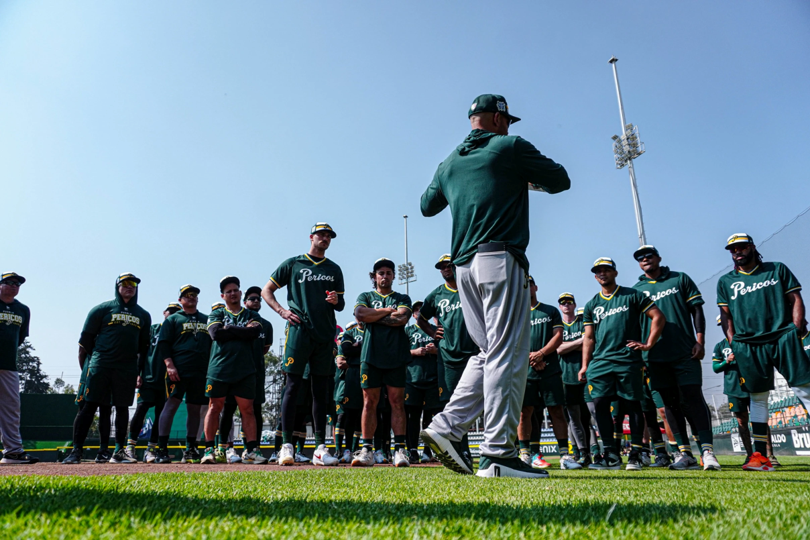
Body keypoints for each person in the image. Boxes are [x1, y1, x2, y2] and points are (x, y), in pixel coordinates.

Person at [420, 93, 570, 478]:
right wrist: (519, 178)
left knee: (488, 353)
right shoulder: (510, 146)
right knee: (508, 353)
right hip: (499, 258)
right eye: (507, 119)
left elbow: (427, 205)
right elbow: (560, 180)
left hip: (463, 266)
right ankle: (498, 453)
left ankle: (447, 426)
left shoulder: (450, 160)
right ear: (498, 119)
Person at [717, 233, 810, 471]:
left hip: (782, 336)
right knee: (758, 398)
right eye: (733, 249)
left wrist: (797, 329)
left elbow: (796, 299)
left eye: (741, 246)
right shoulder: (726, 281)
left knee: (804, 388)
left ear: (752, 247)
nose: (737, 251)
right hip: (748, 344)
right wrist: (734, 341)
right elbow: (725, 315)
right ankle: (760, 458)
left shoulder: (776, 269)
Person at [262, 223, 344, 467]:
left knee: (321, 391)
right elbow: (268, 290)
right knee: (292, 386)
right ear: (311, 237)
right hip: (299, 331)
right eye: (321, 234)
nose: (325, 238)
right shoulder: (294, 263)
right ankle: (286, 445)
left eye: (329, 236)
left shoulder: (334, 268)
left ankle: (320, 447)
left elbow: (339, 304)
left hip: (325, 332)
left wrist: (337, 300)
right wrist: (282, 312)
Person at [631, 245, 719, 471]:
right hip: (655, 357)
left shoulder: (680, 279)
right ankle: (684, 453)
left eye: (649, 255)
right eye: (640, 257)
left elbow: (697, 311)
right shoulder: (636, 290)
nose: (645, 259)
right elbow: (635, 326)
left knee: (692, 398)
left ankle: (708, 452)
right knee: (668, 405)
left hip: (685, 352)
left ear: (658, 258)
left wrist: (700, 341)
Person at [578, 258, 665, 471]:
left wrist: (648, 344)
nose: (602, 274)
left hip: (628, 360)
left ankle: (635, 454)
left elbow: (658, 317)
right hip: (600, 363)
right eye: (598, 271)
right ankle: (611, 455)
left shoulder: (632, 295)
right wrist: (584, 365)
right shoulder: (591, 304)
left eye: (606, 270)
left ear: (615, 272)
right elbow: (588, 338)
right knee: (599, 406)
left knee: (633, 405)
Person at [62, 273, 152, 464]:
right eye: (125, 283)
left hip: (126, 368)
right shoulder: (101, 309)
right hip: (101, 365)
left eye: (133, 284)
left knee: (122, 408)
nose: (130, 287)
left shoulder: (143, 315)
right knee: (88, 406)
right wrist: (89, 367)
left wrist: (139, 371)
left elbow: (144, 347)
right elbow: (85, 341)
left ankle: (118, 451)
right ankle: (76, 450)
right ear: (117, 286)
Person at [417, 254, 479, 463]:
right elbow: (420, 318)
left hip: (474, 354)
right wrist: (432, 331)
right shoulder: (436, 294)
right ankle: (460, 451)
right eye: (442, 267)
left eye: (449, 265)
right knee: (450, 404)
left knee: (480, 401)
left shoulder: (470, 287)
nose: (445, 269)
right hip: (448, 358)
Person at [351, 258, 412, 467]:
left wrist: (373, 316)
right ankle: (367, 449)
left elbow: (402, 319)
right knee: (369, 402)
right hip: (371, 355)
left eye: (388, 272)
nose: (384, 276)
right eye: (380, 273)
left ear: (394, 275)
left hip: (396, 355)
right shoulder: (365, 296)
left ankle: (400, 450)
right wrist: (387, 311)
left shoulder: (403, 297)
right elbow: (360, 314)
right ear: (374, 276)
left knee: (397, 403)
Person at [201, 276, 266, 465]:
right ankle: (209, 450)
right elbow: (215, 334)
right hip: (219, 368)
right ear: (223, 295)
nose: (232, 293)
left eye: (235, 290)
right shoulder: (216, 314)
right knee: (215, 407)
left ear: (240, 292)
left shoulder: (252, 315)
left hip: (245, 369)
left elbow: (253, 333)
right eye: (228, 291)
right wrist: (239, 330)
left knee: (248, 410)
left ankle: (251, 451)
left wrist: (229, 329)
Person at [516, 278, 575, 474]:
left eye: (529, 284)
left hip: (549, 368)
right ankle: (525, 454)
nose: (527, 287)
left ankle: (565, 455)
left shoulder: (550, 310)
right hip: (525, 370)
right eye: (523, 284)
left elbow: (558, 336)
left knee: (556, 410)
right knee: (525, 411)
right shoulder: (515, 313)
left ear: (535, 287)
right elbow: (512, 342)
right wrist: (531, 359)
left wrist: (541, 354)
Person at [154, 285, 211, 464]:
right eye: (187, 295)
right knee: (171, 406)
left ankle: (190, 448)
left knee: (194, 409)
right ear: (180, 300)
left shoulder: (206, 319)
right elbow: (163, 344)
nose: (191, 298)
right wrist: (169, 365)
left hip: (200, 371)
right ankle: (161, 448)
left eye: (194, 295)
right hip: (178, 370)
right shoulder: (173, 319)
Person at [218, 286, 273, 463]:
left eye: (258, 298)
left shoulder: (266, 324)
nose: (256, 301)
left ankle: (252, 448)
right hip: (233, 370)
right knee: (228, 409)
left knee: (254, 409)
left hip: (255, 371)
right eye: (251, 298)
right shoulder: (238, 318)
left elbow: (265, 348)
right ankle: (224, 448)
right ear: (244, 301)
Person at [129, 301, 181, 463]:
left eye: (176, 312)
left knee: (161, 414)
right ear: (164, 313)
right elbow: (141, 352)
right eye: (170, 311)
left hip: (168, 380)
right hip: (149, 377)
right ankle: (130, 447)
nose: (172, 314)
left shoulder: (179, 332)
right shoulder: (153, 329)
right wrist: (138, 373)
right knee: (141, 410)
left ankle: (151, 449)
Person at [0, 272, 38, 464]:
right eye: (9, 282)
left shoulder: (23, 309)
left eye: (17, 284)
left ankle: (12, 452)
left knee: (11, 408)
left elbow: (20, 337)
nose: (14, 286)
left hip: (8, 365)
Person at [556, 293, 592, 467]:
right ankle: (581, 452)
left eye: (569, 302)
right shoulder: (559, 326)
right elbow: (557, 348)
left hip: (587, 375)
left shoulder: (581, 321)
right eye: (563, 303)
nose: (566, 305)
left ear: (574, 304)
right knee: (573, 418)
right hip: (566, 378)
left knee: (593, 415)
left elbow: (590, 342)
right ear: (560, 306)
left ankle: (598, 451)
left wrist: (569, 346)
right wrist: (580, 341)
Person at [404, 302, 441, 464]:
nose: (419, 313)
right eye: (416, 310)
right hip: (412, 379)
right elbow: (398, 352)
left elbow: (447, 351)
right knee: (413, 417)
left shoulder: (435, 330)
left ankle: (427, 451)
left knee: (430, 418)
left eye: (421, 310)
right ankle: (412, 450)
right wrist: (415, 352)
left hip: (433, 380)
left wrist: (435, 351)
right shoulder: (408, 330)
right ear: (413, 315)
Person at [334, 320, 364, 463]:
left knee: (361, 417)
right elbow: (341, 362)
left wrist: (356, 350)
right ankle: (342, 450)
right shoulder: (347, 337)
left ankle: (359, 449)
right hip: (344, 386)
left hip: (364, 381)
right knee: (344, 417)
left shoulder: (371, 333)